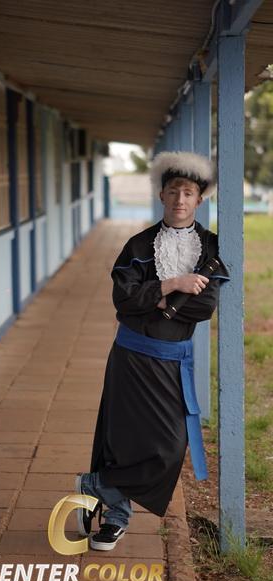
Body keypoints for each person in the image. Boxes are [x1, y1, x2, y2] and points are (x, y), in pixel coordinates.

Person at [75, 150, 231, 552]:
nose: (180, 199)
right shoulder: (139, 244)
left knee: (170, 447)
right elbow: (122, 299)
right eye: (174, 191)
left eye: (189, 193)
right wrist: (172, 285)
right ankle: (116, 517)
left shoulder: (210, 247)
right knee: (122, 439)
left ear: (199, 200)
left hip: (173, 360)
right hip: (130, 356)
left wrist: (152, 300)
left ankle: (97, 484)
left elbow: (203, 306)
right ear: (162, 195)